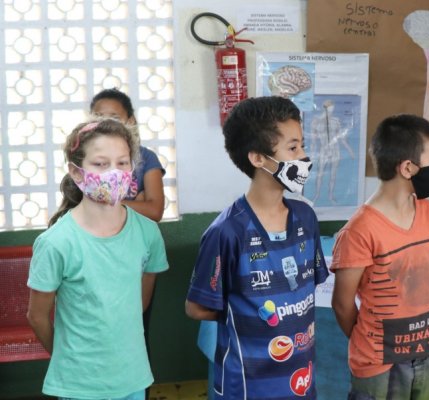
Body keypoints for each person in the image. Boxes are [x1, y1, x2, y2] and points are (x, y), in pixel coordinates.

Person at [184, 96, 329, 399]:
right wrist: (247, 315)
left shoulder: (305, 217)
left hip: (301, 380)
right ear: (258, 158)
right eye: (292, 148)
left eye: (302, 145)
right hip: (248, 387)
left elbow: (304, 290)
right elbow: (196, 307)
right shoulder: (227, 232)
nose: (303, 157)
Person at [26, 118, 169, 399]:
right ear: (77, 173)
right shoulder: (56, 243)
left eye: (122, 163)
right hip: (78, 384)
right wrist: (68, 359)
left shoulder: (148, 233)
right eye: (101, 164)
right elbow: (37, 316)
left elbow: (137, 304)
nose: (113, 173)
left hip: (133, 379)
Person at [331, 114, 429, 400]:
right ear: (408, 167)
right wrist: (373, 344)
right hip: (377, 365)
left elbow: (425, 278)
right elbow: (341, 304)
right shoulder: (359, 231)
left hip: (427, 353)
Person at [90, 88, 165, 222]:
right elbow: (85, 209)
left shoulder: (147, 157)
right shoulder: (85, 158)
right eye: (98, 117)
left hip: (136, 235)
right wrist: (139, 203)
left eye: (115, 117)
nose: (106, 123)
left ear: (130, 121)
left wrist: (105, 202)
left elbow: (155, 211)